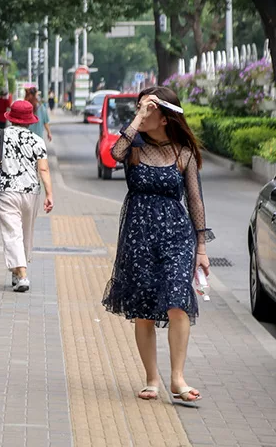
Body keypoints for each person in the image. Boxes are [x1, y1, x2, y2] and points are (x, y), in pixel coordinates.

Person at [102, 85, 212, 404]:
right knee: (144, 310)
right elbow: (114, 154)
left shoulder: (183, 152)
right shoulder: (133, 146)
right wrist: (138, 117)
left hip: (177, 236)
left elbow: (195, 200)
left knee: (177, 301)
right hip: (138, 236)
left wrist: (201, 247)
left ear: (165, 118)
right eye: (140, 107)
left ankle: (177, 378)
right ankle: (152, 378)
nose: (142, 111)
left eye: (149, 109)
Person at [0, 100, 54, 292]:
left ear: (11, 118)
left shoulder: (1, 135)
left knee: (12, 233)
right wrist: (49, 194)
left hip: (7, 191)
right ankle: (17, 275)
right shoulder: (37, 141)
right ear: (30, 121)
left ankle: (22, 275)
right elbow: (44, 168)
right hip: (31, 192)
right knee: (25, 234)